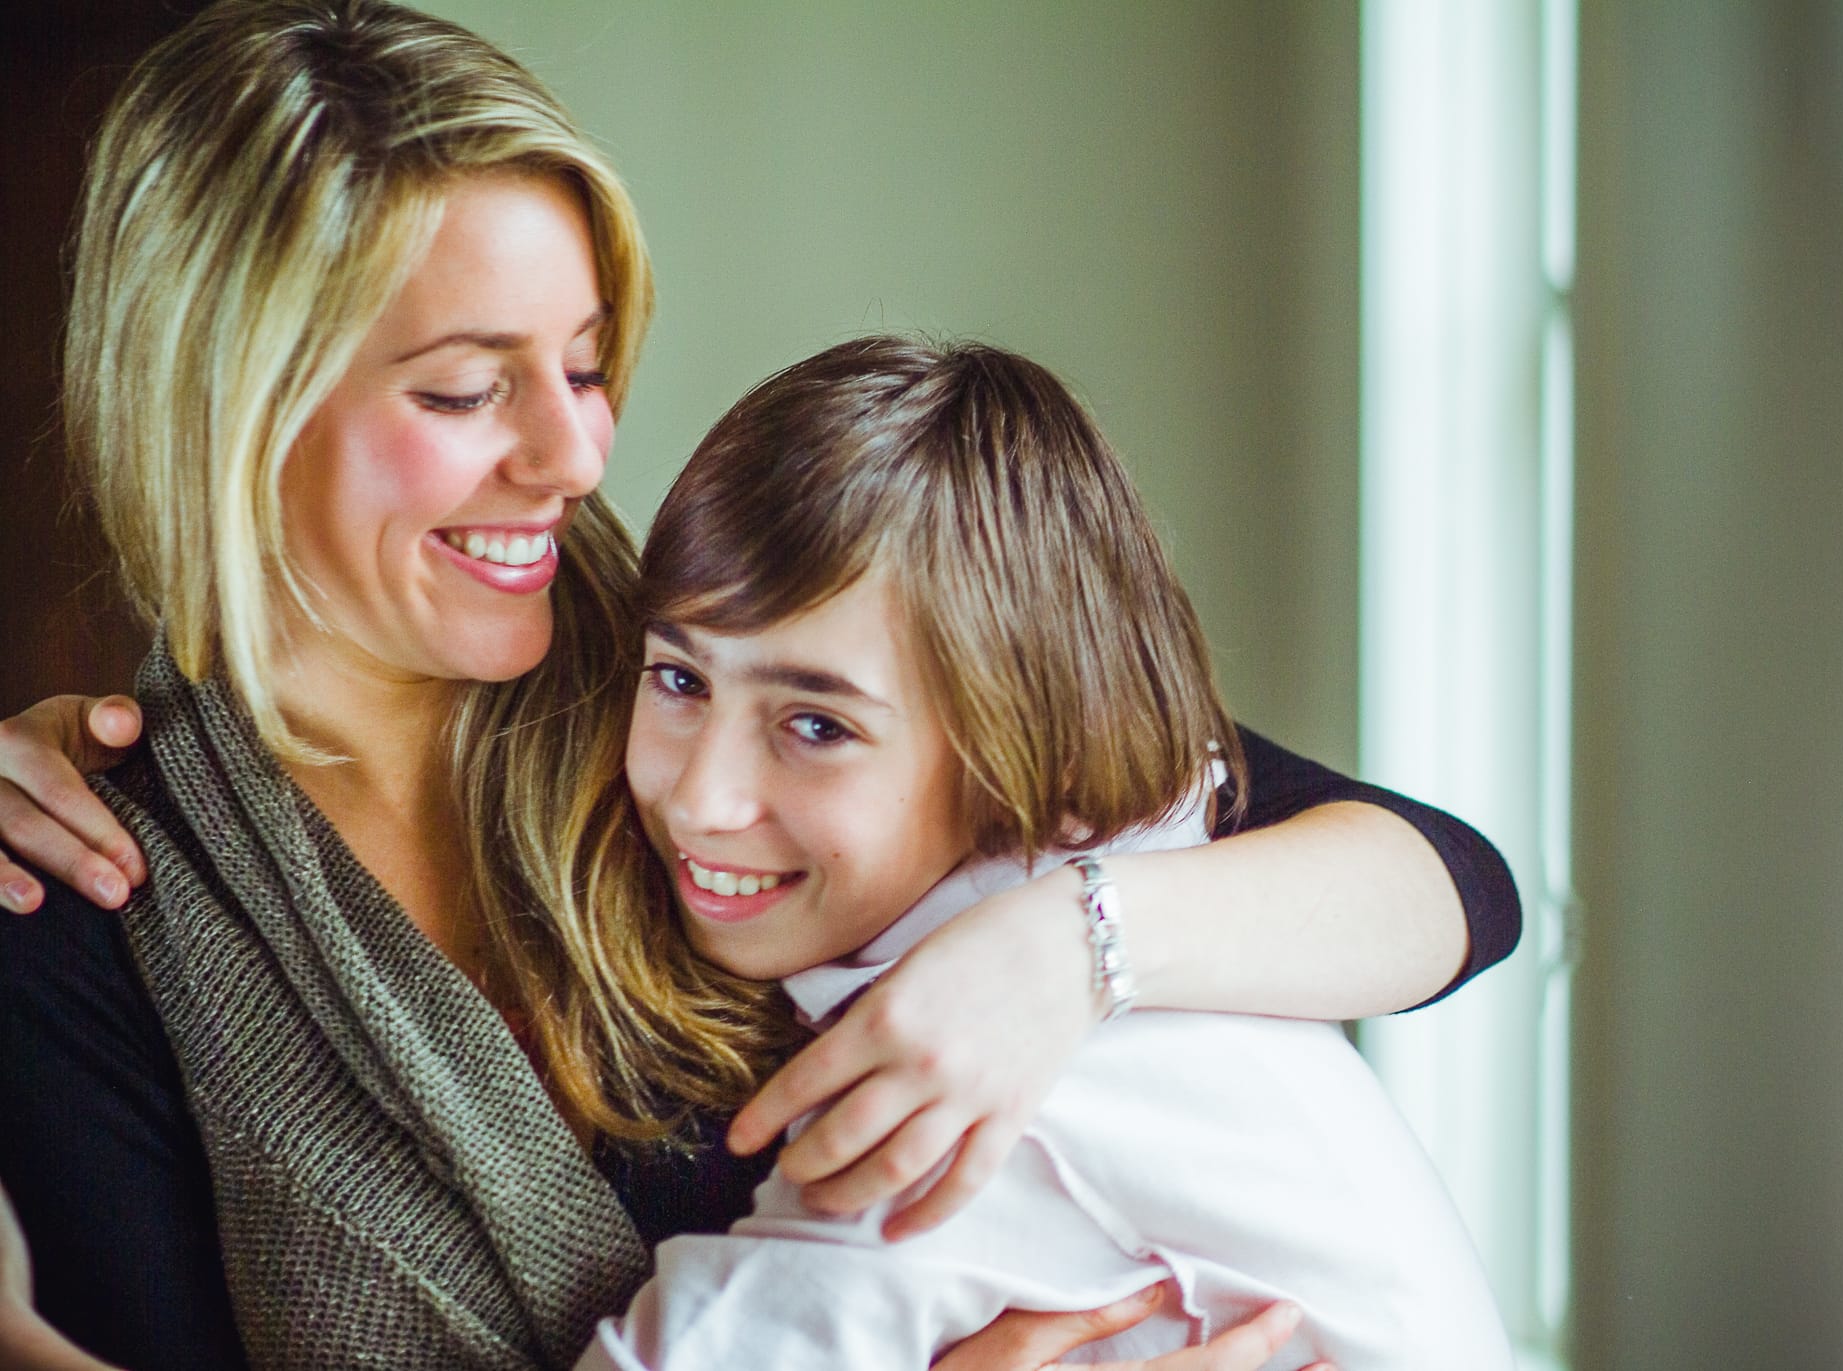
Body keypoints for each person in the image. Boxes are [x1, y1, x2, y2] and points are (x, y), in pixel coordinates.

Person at [0, 2, 1519, 1368]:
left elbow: (1452, 885)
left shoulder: (723, 677)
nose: (575, 457)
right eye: (465, 389)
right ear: (225, 407)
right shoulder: (79, 904)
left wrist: (1067, 946)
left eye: (585, 366)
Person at [565, 336, 1515, 1369]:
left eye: (818, 726)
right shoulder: (1131, 843)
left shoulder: (984, 1089)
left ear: (1025, 750)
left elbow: (1471, 885)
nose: (701, 799)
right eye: (679, 679)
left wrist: (1069, 946)